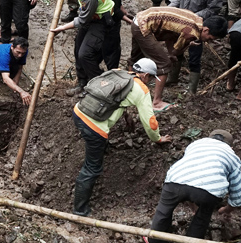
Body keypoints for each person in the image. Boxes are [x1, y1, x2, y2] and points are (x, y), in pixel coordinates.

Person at [71, 59, 173, 216]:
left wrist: (125, 114)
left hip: (79, 111)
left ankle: (102, 148)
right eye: (151, 78)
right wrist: (157, 139)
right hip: (94, 126)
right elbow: (150, 122)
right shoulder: (142, 89)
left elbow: (112, 96)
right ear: (145, 75)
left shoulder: (119, 72)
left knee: (98, 144)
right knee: (92, 168)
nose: (151, 82)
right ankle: (80, 210)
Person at [144, 130, 241, 243]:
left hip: (176, 180)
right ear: (230, 146)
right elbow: (239, 197)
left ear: (210, 138)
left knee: (163, 211)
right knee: (202, 217)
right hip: (210, 189)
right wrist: (225, 210)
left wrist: (193, 206)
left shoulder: (196, 144)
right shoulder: (231, 155)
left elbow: (191, 179)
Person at [128, 7, 227, 110]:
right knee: (164, 64)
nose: (208, 42)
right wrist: (188, 45)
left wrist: (172, 53)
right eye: (210, 38)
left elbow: (169, 34)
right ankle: (156, 102)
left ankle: (129, 88)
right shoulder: (192, 32)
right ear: (206, 30)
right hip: (144, 26)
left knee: (136, 56)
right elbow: (176, 51)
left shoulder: (197, 20)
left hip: (138, 20)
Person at [51, 0, 115, 97]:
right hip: (89, 16)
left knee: (85, 54)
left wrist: (61, 28)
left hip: (100, 20)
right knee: (77, 48)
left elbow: (81, 21)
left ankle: (96, 85)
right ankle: (82, 82)